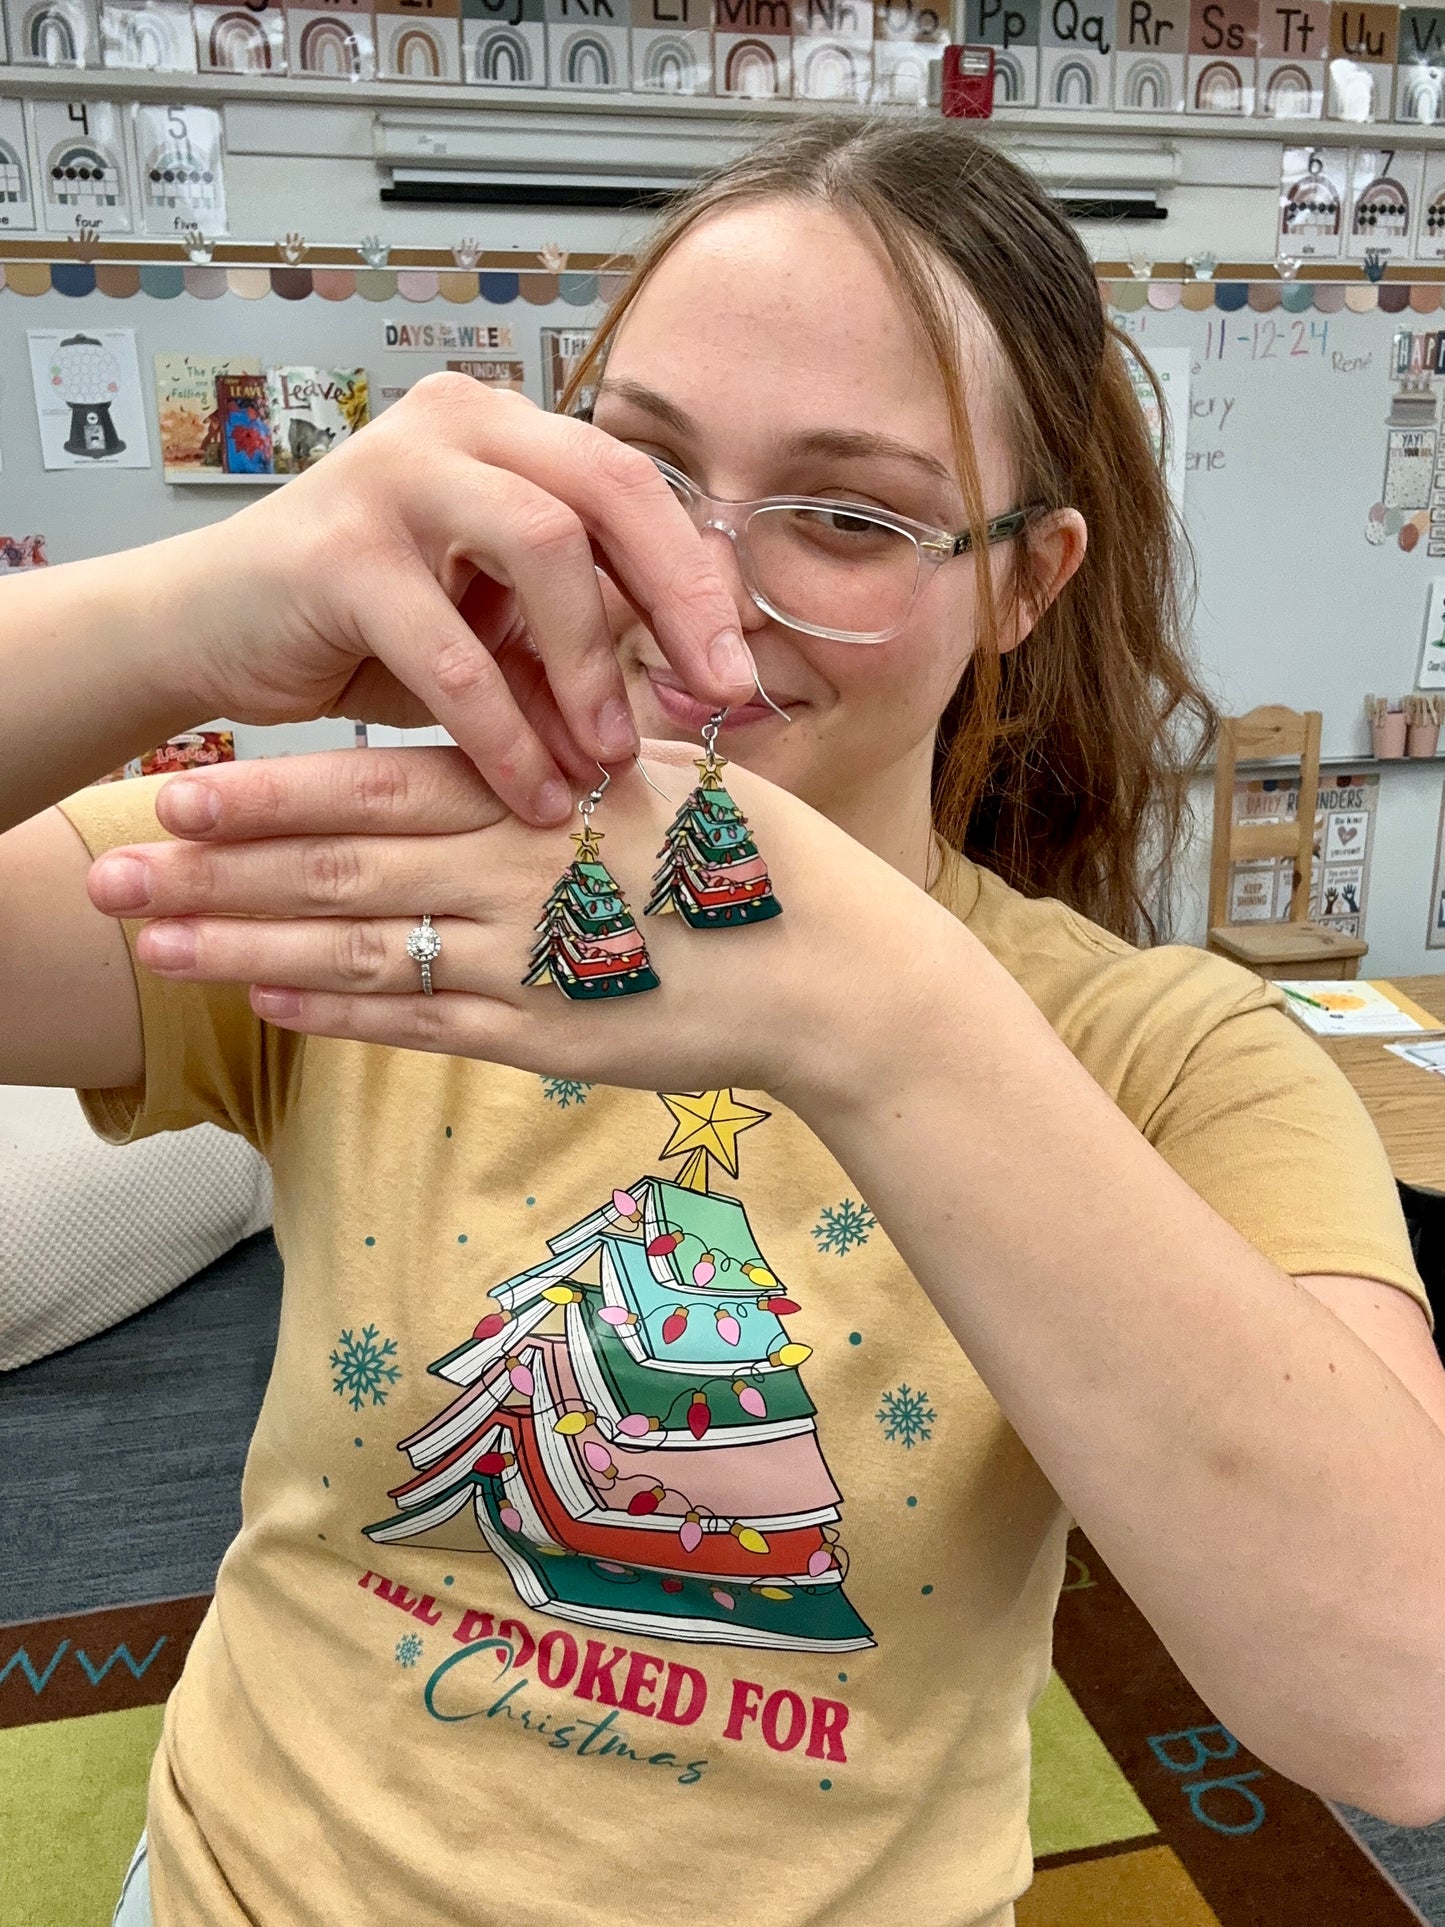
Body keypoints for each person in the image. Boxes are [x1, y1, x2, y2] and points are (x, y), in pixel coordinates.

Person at [4, 115, 1445, 1927]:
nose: (697, 589)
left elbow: (1400, 1701)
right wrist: (184, 610)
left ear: (1023, 578)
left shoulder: (1164, 1053)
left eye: (845, 518)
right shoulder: (394, 891)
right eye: (638, 465)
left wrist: (878, 1012)